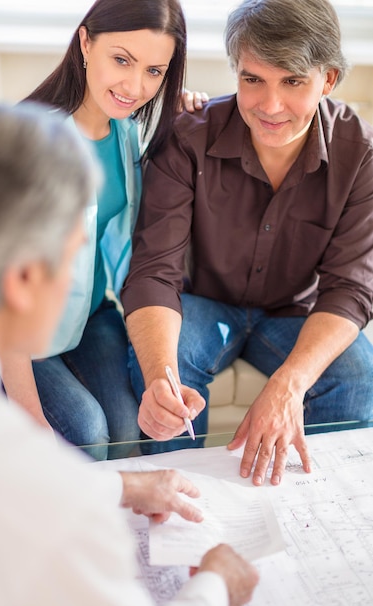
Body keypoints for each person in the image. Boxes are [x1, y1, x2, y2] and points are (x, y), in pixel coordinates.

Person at [0, 100, 258, 606]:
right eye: (74, 256)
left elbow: (13, 474)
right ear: (24, 279)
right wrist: (216, 588)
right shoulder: (62, 525)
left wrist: (124, 486)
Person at [121, 0, 373, 484]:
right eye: (253, 80)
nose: (269, 105)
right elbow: (155, 272)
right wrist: (159, 379)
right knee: (167, 370)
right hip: (201, 303)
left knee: (360, 379)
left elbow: (352, 289)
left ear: (329, 79)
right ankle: (179, 509)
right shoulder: (189, 138)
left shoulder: (358, 152)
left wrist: (289, 384)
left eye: (293, 82)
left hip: (293, 313)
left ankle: (308, 505)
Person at [1, 0, 207, 460]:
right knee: (88, 431)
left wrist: (189, 105)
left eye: (155, 71)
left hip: (88, 317)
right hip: (14, 334)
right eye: (122, 60)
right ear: (85, 42)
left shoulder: (128, 134)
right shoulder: (30, 146)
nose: (135, 86)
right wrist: (31, 421)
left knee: (127, 425)